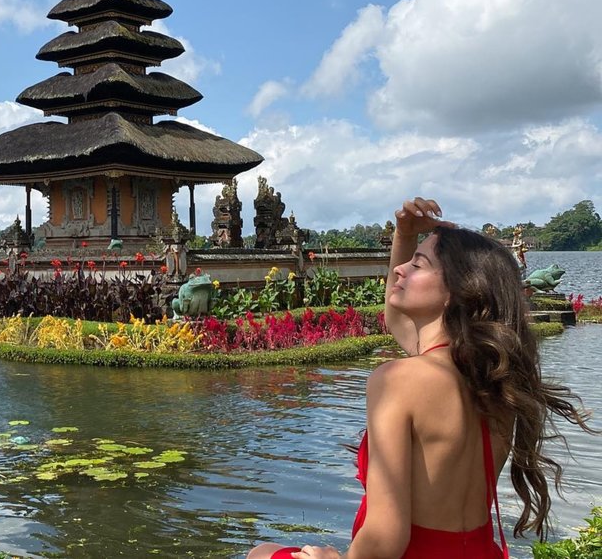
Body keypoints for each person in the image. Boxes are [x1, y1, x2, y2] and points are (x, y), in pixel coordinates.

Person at [248, 197, 595, 559]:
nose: (400, 270)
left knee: (261, 553)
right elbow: (398, 322)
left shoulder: (399, 380)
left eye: (418, 265)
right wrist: (404, 236)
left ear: (458, 292)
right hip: (479, 552)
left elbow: (385, 539)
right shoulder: (493, 379)